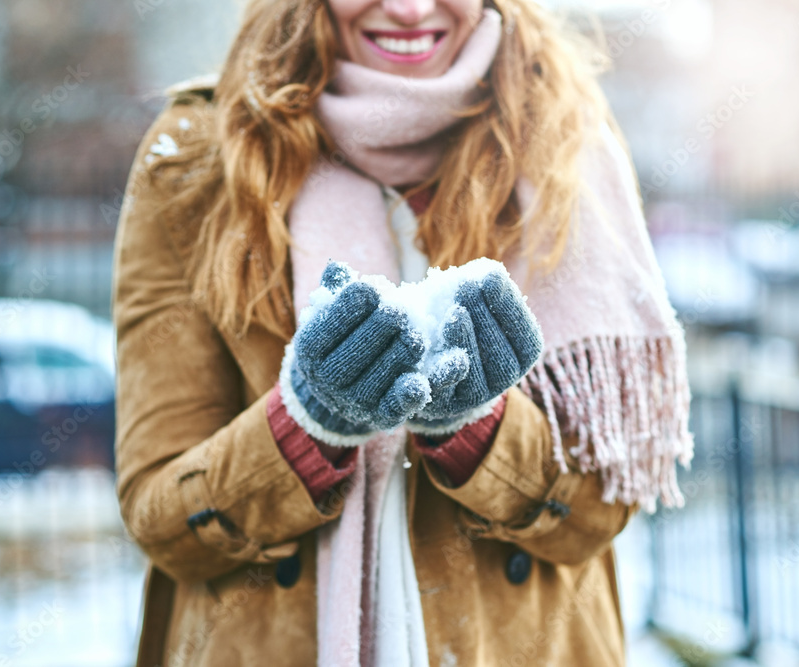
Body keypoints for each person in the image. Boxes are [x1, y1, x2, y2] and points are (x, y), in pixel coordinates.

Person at [111, 0, 695, 665]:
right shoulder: (195, 155)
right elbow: (162, 519)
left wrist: (478, 429)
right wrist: (304, 425)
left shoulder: (563, 142)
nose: (411, 9)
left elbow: (595, 512)